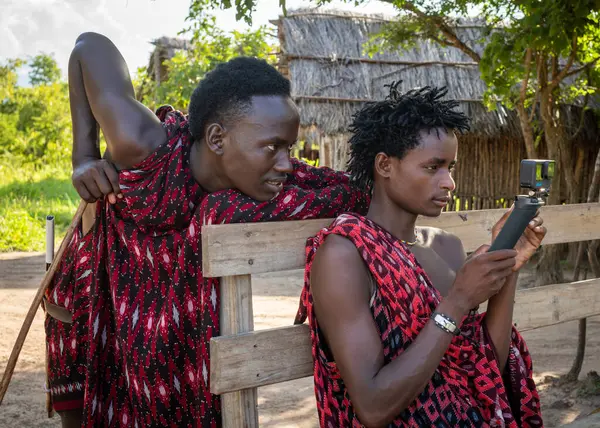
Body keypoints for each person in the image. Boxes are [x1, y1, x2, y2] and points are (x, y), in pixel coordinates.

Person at [43, 32, 369, 427]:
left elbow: (348, 193)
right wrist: (83, 156)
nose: (286, 164)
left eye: (290, 149)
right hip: (89, 289)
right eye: (273, 147)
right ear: (217, 138)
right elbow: (88, 45)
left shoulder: (264, 175)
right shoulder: (141, 144)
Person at [294, 82, 546, 427]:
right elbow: (372, 407)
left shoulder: (446, 245)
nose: (449, 183)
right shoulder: (345, 255)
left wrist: (509, 266)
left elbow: (487, 366)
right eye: (433, 167)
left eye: (450, 168)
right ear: (385, 165)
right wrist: (458, 300)